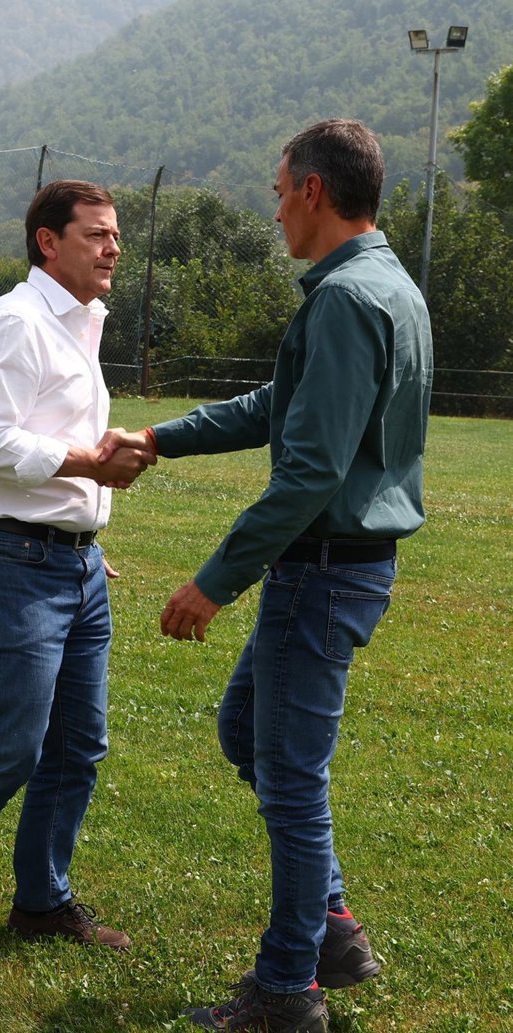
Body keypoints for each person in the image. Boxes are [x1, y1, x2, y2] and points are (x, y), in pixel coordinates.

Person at [99, 120, 433, 1032]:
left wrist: (214, 580)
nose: (275, 205)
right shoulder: (386, 286)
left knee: (289, 779)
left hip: (321, 573)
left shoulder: (342, 301)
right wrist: (162, 438)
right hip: (351, 570)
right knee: (247, 728)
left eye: (280, 188)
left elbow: (311, 472)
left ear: (315, 191)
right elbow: (278, 407)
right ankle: (331, 927)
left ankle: (290, 989)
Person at [0, 179, 157, 963]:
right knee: (14, 739)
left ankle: (42, 901)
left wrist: (81, 532)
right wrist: (89, 466)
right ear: (49, 241)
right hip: (6, 560)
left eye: (116, 235)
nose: (114, 247)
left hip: (71, 565)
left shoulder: (82, 323)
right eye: (98, 235)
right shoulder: (14, 323)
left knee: (79, 743)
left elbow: (47, 436)